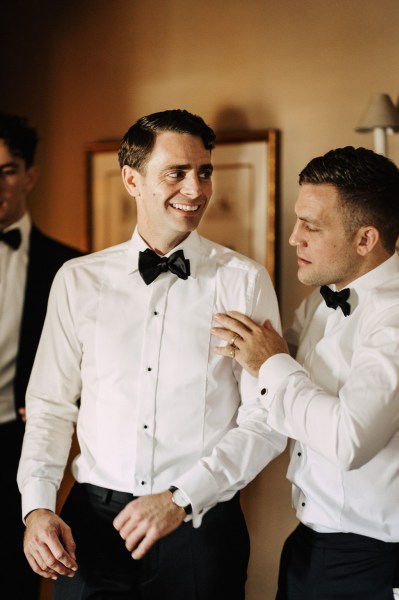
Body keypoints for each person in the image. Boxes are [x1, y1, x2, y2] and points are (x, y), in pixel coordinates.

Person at [17, 109, 285, 600]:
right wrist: (36, 508)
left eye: (204, 171)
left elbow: (266, 418)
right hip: (91, 530)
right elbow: (51, 407)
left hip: (202, 530)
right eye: (176, 173)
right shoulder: (78, 280)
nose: (196, 188)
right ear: (132, 179)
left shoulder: (244, 281)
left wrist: (182, 499)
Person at [212, 145, 399, 599]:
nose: (295, 237)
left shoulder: (394, 319)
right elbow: (266, 376)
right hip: (308, 546)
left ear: (365, 239)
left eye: (311, 227)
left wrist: (272, 362)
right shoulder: (319, 301)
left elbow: (348, 440)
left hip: (375, 560)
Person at [0, 111, 82, 599]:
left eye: (7, 170)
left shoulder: (68, 269)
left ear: (30, 175)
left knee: (14, 582)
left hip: (18, 447)